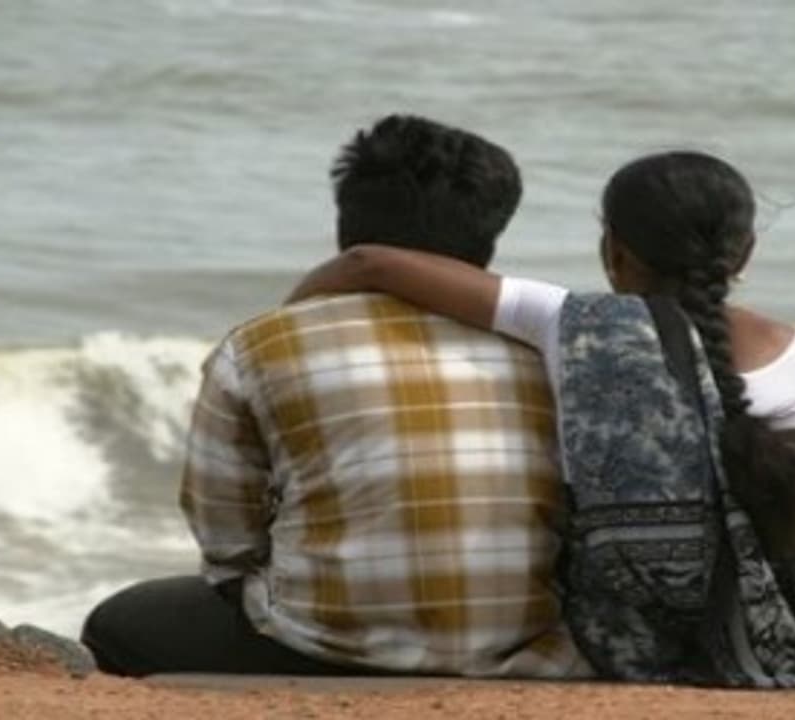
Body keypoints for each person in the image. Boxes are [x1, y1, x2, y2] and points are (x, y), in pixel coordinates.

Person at [287, 151, 795, 686]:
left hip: (634, 633)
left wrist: (282, 331)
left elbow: (368, 262)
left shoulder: (569, 322)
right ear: (745, 254)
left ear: (614, 251)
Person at [80, 114, 589, 679]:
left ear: (347, 220)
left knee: (117, 624)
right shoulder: (554, 345)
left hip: (323, 645)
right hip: (529, 646)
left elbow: (226, 540)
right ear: (489, 237)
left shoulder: (259, 344)